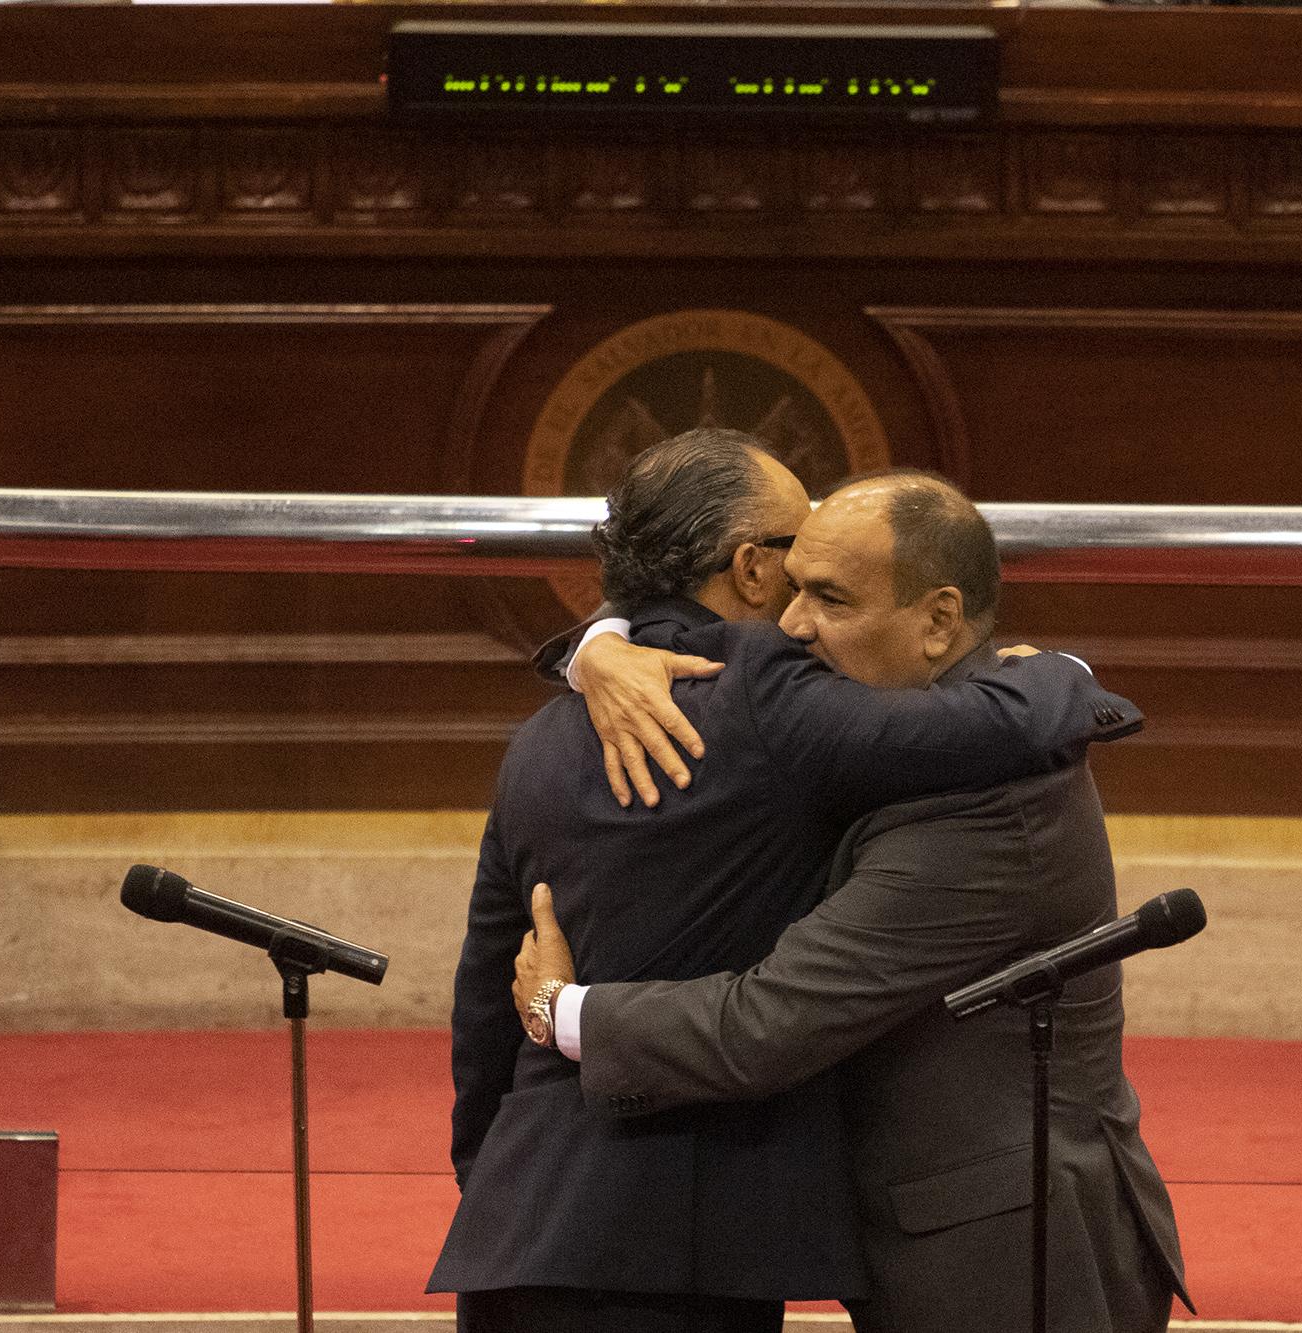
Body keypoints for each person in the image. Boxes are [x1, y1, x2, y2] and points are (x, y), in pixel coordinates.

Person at [429, 430, 1138, 1332]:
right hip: (691, 1246)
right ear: (752, 566)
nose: (801, 615)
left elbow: (484, 998)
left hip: (517, 1228)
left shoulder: (539, 738)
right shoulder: (771, 695)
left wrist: (493, 1179)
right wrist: (1064, 676)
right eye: (795, 569)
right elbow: (984, 725)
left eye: (829, 590)